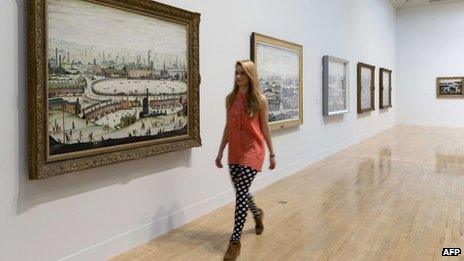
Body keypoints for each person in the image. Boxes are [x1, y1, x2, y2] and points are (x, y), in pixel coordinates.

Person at [215, 60, 276, 260]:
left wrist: (272, 154)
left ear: (250, 75)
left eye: (242, 73)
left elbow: (265, 128)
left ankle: (235, 241)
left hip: (254, 151)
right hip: (234, 152)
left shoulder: (260, 100)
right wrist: (220, 151)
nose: (238, 76)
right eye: (236, 73)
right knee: (242, 191)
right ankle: (257, 214)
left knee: (240, 192)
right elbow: (227, 127)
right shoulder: (230, 99)